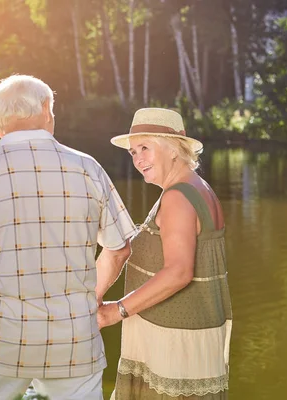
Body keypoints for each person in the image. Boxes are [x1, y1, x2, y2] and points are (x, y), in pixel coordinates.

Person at [0, 75, 137, 400]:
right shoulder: (88, 169)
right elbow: (119, 249)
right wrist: (88, 298)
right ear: (46, 111)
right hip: (73, 341)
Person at [98, 108, 232, 400]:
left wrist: (115, 311)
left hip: (174, 345)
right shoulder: (197, 188)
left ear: (173, 149)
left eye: (145, 148)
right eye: (133, 152)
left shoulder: (178, 197)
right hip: (189, 337)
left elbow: (179, 271)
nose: (138, 159)